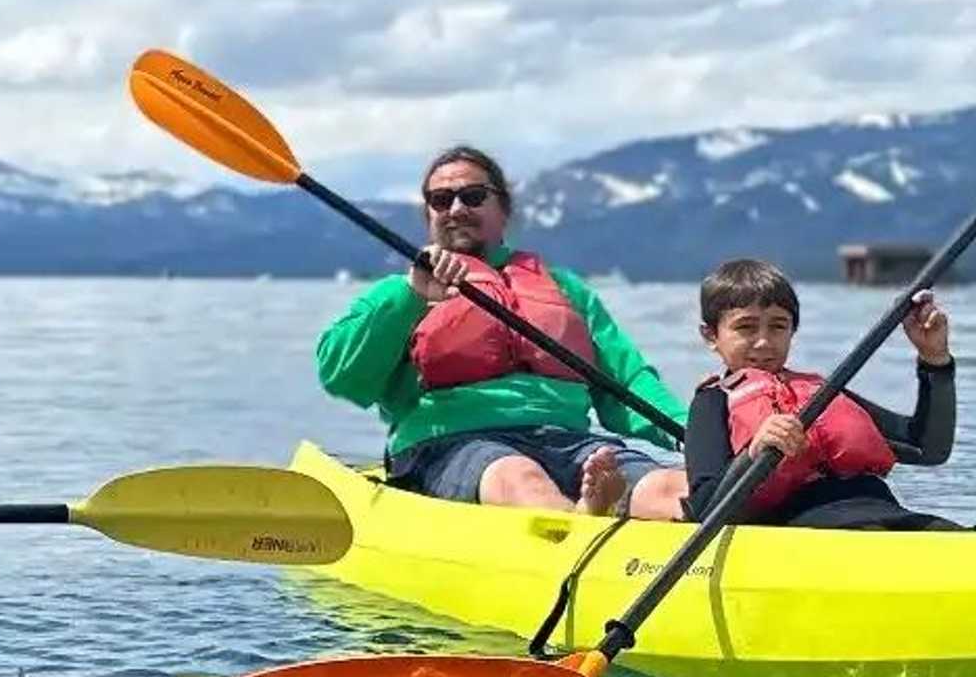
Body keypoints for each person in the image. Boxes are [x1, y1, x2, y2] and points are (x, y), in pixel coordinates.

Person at [316, 145, 689, 519]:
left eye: (473, 196)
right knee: (520, 478)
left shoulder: (566, 290)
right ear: (429, 213)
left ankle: (595, 513)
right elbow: (340, 375)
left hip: (569, 443)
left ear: (504, 209)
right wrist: (411, 297)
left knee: (670, 488)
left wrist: (691, 435)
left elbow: (627, 382)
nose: (457, 209)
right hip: (450, 446)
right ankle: (579, 526)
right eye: (441, 200)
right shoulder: (401, 293)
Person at [684, 257, 958, 529]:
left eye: (778, 326)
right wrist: (752, 454)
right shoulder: (713, 402)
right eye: (746, 327)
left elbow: (929, 449)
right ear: (711, 336)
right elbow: (707, 509)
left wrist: (935, 360)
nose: (764, 341)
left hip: (884, 511)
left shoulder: (821, 393)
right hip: (809, 526)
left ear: (792, 331)